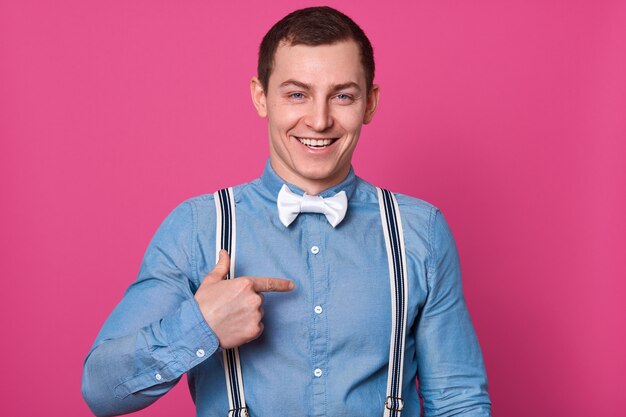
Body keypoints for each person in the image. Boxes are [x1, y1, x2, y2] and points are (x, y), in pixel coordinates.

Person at [82, 6, 491, 417]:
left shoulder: (421, 230)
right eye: (297, 94)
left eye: (343, 96)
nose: (319, 120)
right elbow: (101, 389)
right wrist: (199, 326)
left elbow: (458, 400)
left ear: (370, 103)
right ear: (261, 98)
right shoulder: (196, 229)